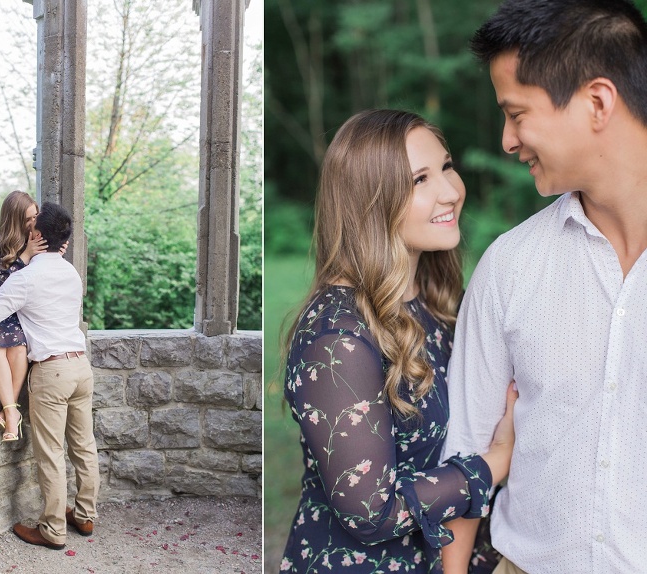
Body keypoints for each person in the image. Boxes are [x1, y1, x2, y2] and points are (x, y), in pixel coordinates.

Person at [440, 1, 647, 573]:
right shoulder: (509, 265)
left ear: (597, 103)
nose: (508, 140)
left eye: (516, 114)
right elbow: (466, 447)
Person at [279, 109, 518, 574]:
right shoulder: (336, 338)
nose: (450, 191)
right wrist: (496, 462)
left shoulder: (440, 305)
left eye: (447, 167)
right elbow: (370, 512)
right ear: (370, 201)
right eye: (420, 180)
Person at [0, 202, 99, 550]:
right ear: (65, 242)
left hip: (52, 372)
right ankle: (85, 515)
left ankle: (53, 530)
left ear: (37, 235)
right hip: (80, 367)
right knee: (84, 446)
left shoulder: (25, 279)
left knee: (51, 453)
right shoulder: (73, 274)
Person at [0, 190, 46, 442]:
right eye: (27, 219)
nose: (33, 223)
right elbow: (1, 284)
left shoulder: (38, 244)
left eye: (35, 216)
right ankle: (13, 414)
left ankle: (8, 412)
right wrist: (25, 256)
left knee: (18, 348)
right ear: (13, 219)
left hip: (21, 313)